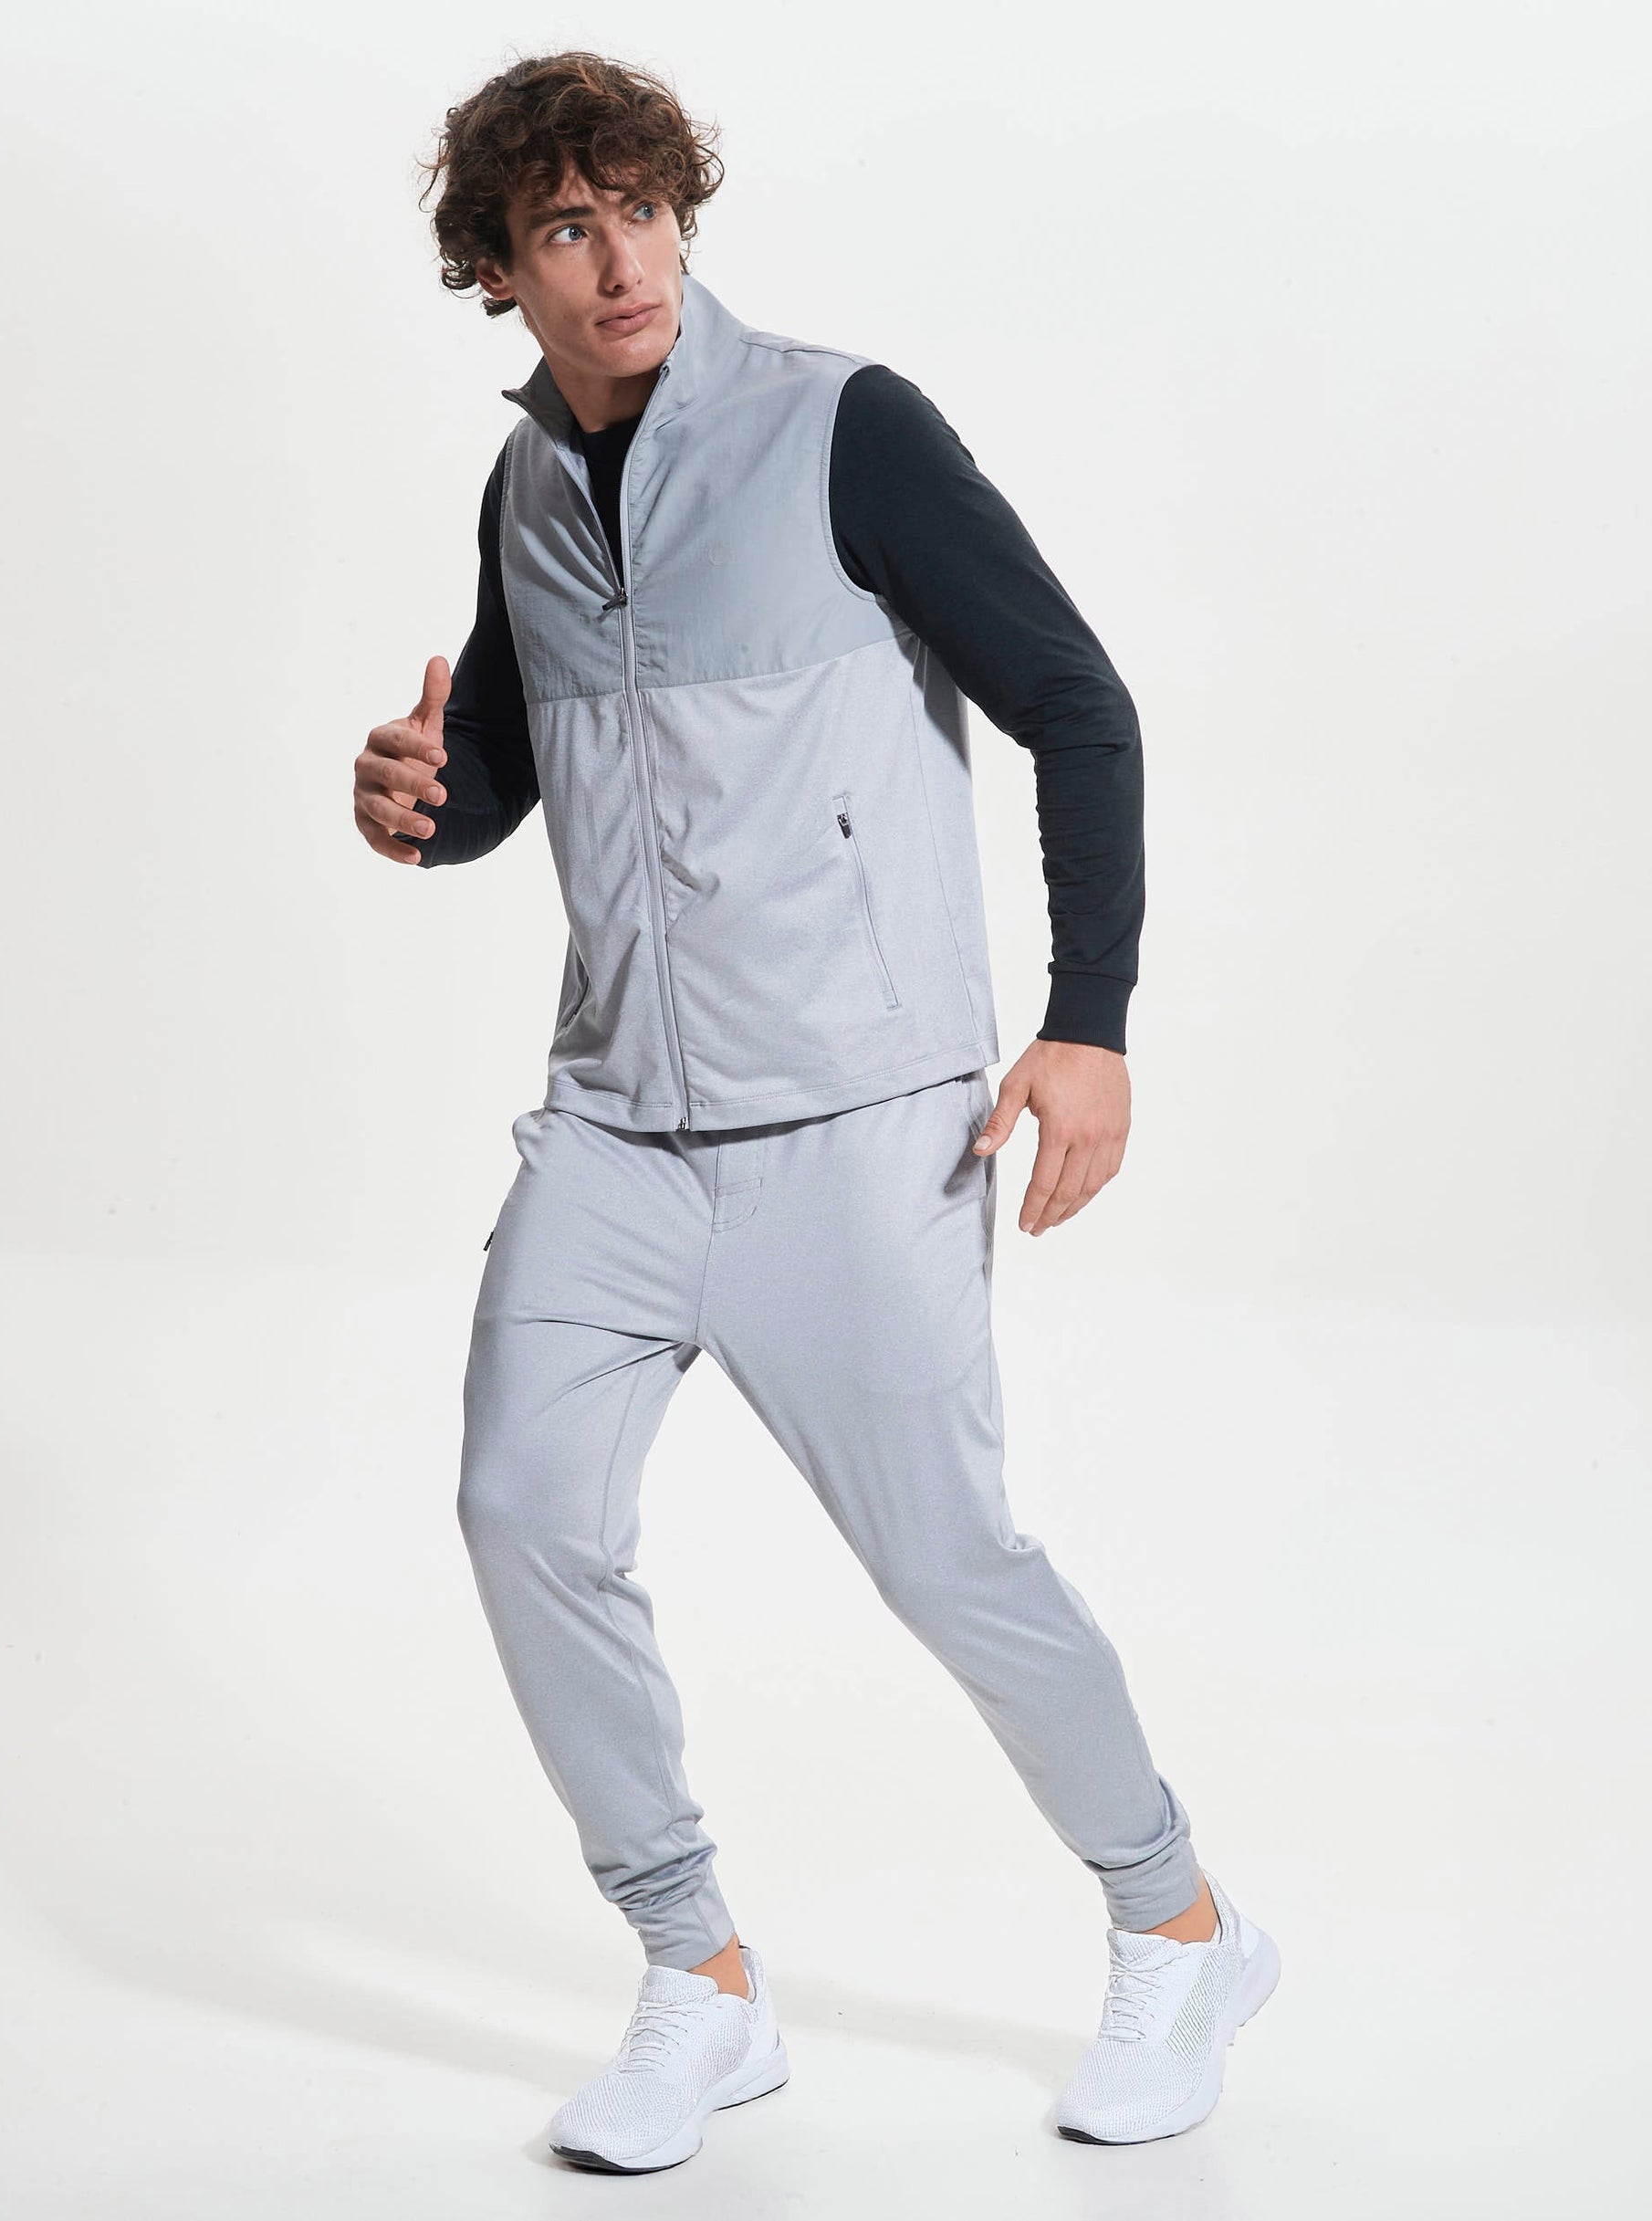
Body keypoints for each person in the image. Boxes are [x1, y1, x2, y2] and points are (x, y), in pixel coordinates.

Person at [352, 48, 1279, 2174]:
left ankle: (1181, 1920)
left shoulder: (841, 426)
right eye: (565, 227)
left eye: (643, 209)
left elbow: (1076, 701)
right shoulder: (525, 490)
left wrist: (1090, 1020)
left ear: (682, 213)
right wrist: (413, 798)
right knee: (520, 1510)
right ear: (496, 270)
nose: (621, 261)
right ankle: (700, 1972)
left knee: (951, 1559)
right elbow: (503, 774)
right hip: (613, 1122)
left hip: (855, 1119)